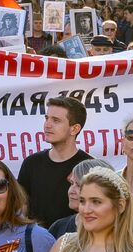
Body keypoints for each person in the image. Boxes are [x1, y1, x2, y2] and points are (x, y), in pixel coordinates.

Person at [17, 96, 93, 227]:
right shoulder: (31, 163)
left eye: (56, 120)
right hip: (36, 238)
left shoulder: (90, 167)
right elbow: (21, 208)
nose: (47, 125)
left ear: (74, 129)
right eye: (47, 118)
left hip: (77, 237)